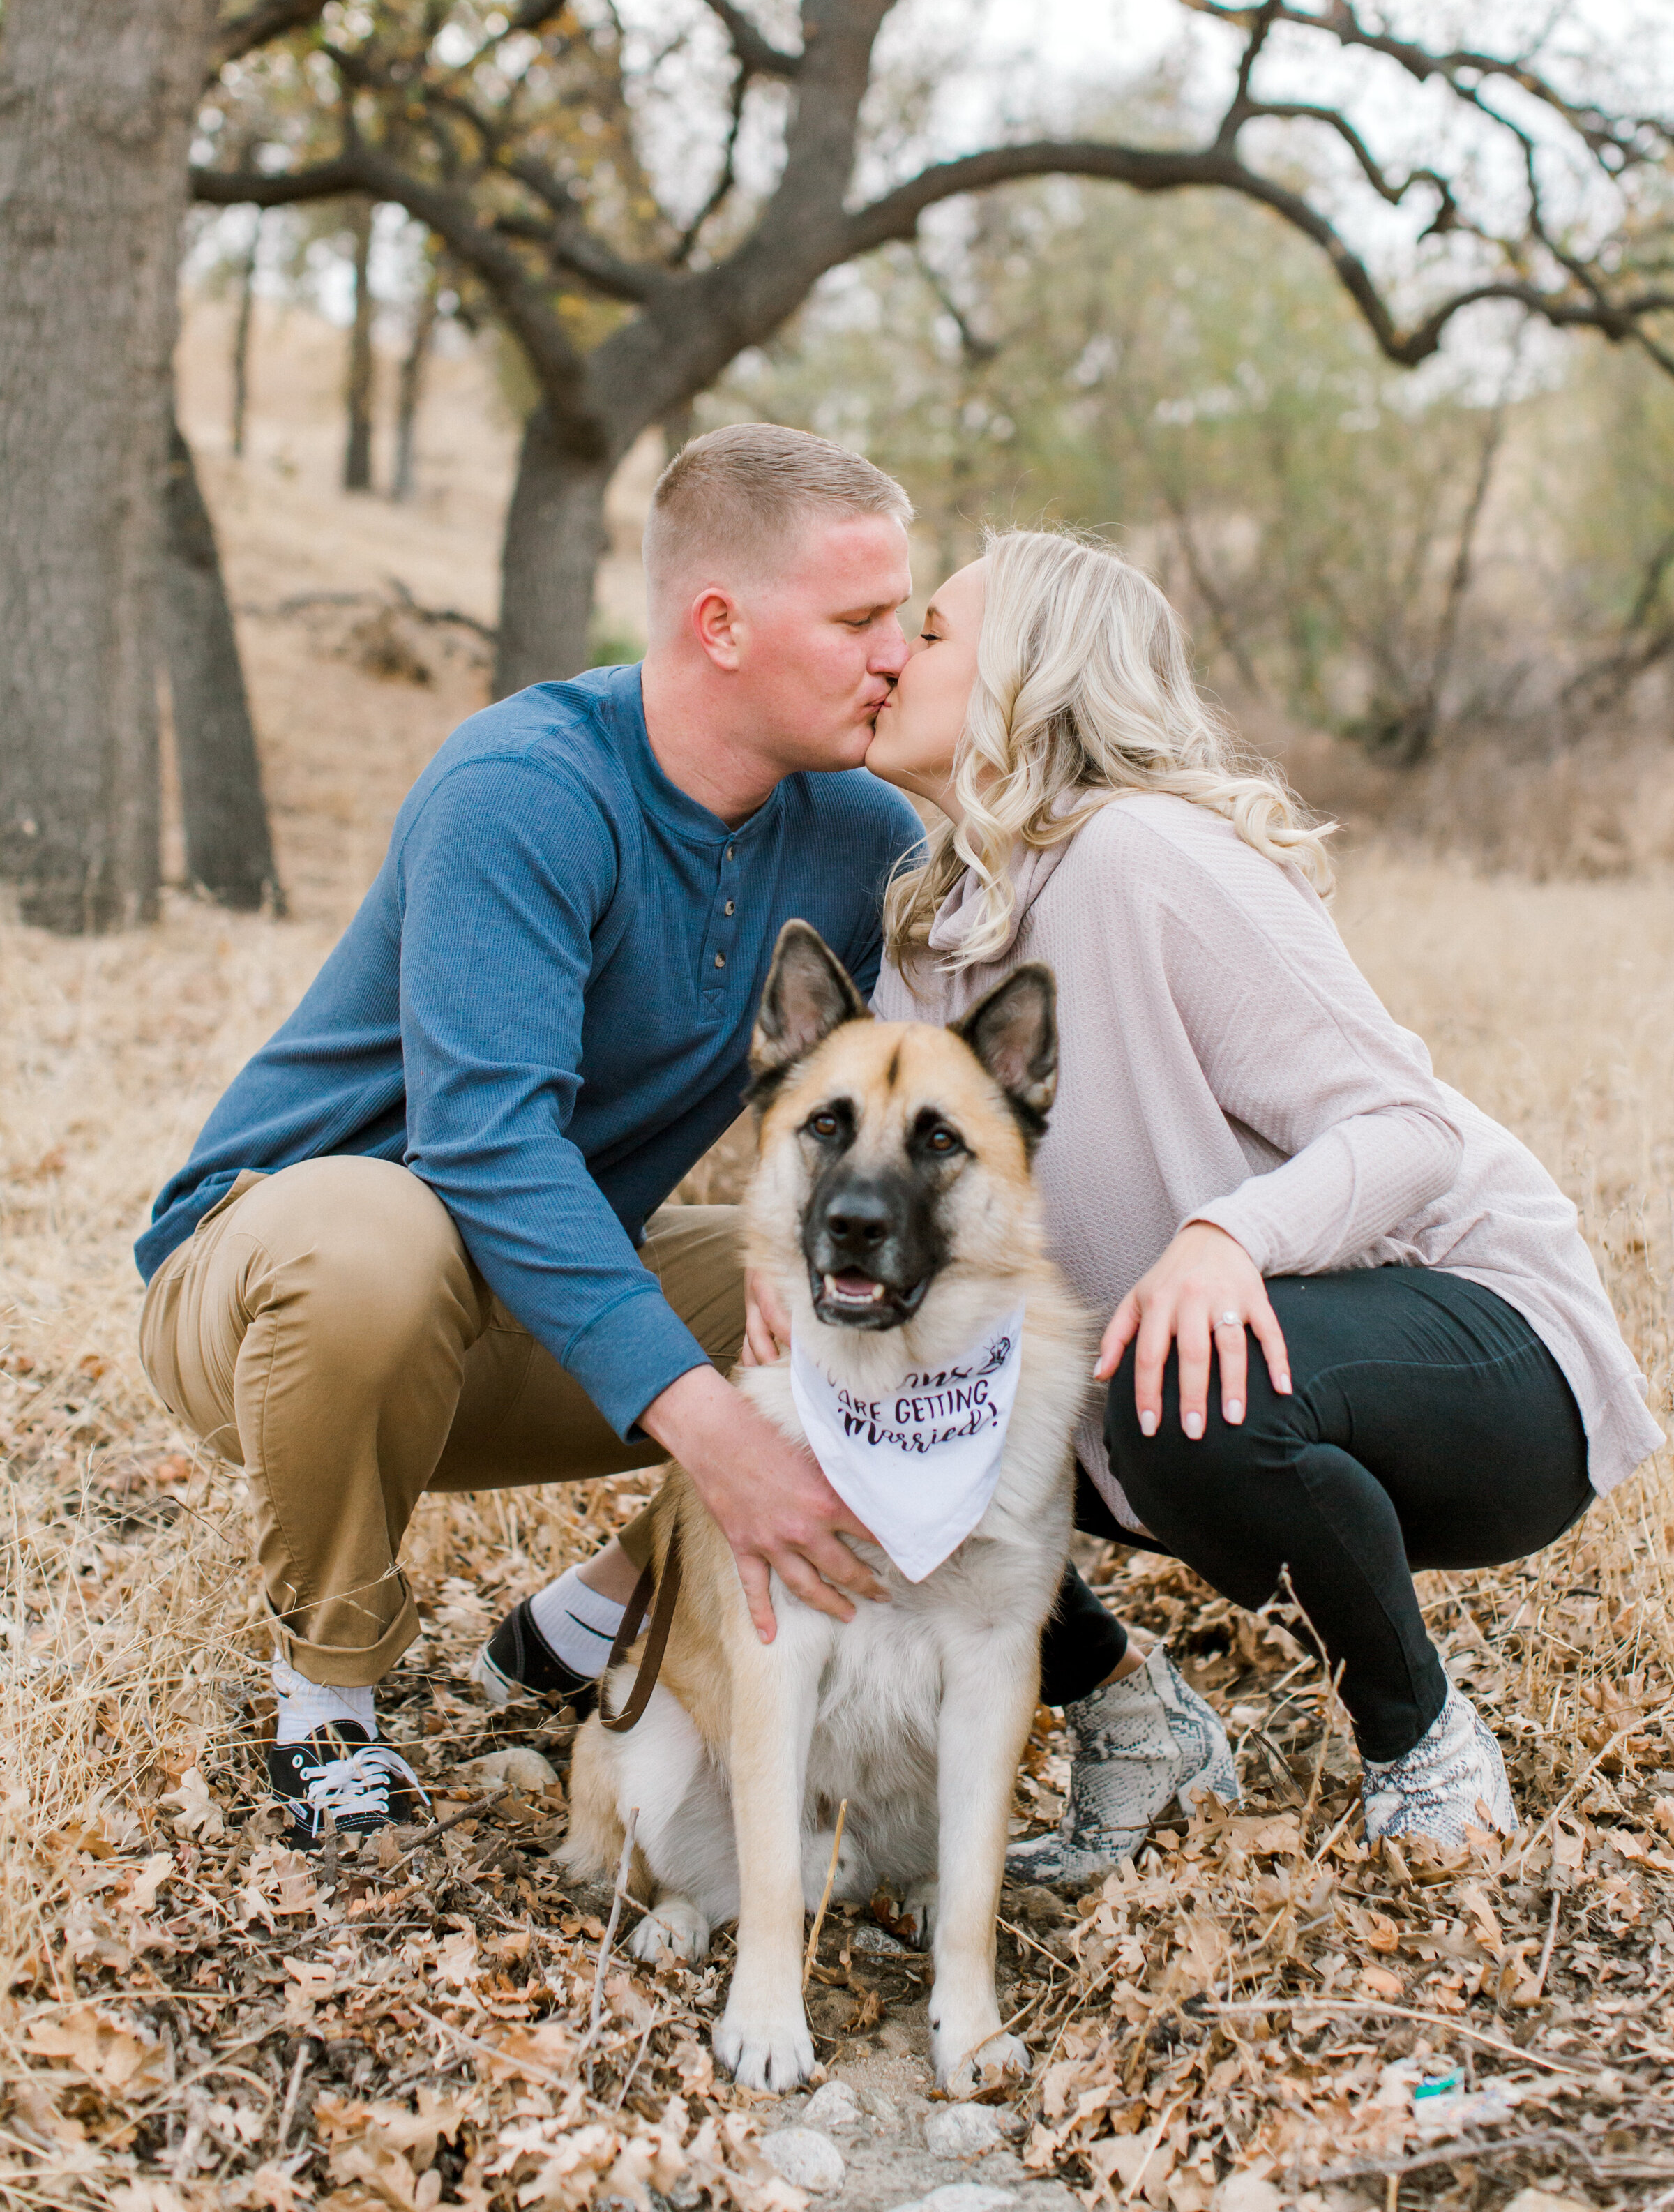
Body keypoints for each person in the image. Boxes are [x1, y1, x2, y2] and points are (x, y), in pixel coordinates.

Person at [135, 424, 926, 1849]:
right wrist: (708, 1429)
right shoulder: (524, 784)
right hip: (279, 1295)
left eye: (908, 622)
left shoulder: (861, 832)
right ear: (721, 624)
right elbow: (483, 1144)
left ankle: (600, 1610)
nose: (897, 657)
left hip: (530, 1305)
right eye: (863, 620)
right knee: (382, 1232)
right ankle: (328, 1698)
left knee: (866, 1284)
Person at [854, 526, 1660, 1874]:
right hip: (1189, 1380)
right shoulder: (933, 936)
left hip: (1489, 1356)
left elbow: (1402, 1126)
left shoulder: (1144, 857)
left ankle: (1421, 1738)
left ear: (1029, 679)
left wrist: (1231, 1237)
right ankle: (1129, 1711)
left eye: (932, 633)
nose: (893, 658)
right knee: (879, 1395)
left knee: (1190, 1390)